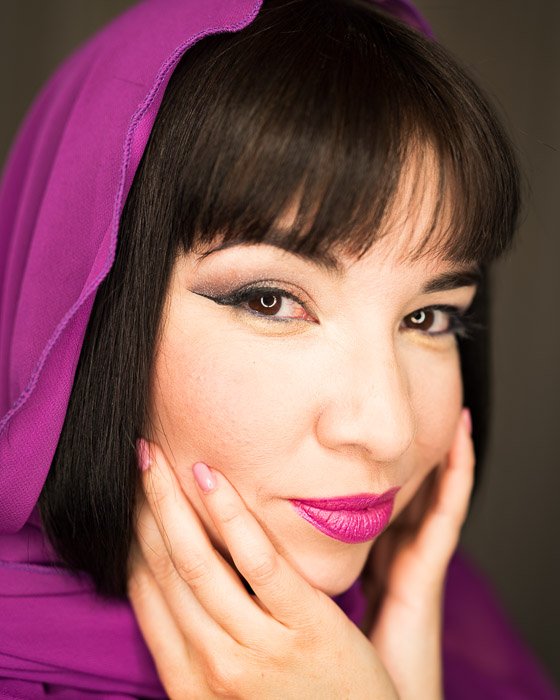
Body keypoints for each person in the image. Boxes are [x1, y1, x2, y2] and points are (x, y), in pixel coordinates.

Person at [0, 0, 557, 697]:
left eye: (429, 317)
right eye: (271, 301)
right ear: (87, 315)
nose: (388, 430)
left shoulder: (456, 637)